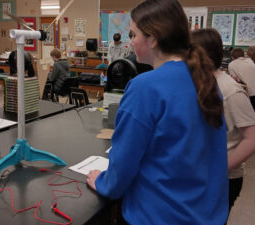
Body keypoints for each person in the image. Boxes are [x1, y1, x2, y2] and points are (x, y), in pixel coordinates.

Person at [86, 0, 228, 224]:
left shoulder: (145, 86)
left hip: (160, 215)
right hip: (205, 213)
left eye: (133, 35)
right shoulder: (205, 80)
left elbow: (124, 162)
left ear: (152, 38)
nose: (131, 42)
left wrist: (103, 182)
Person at [191, 28, 255, 220]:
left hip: (223, 179)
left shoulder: (230, 90)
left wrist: (221, 167)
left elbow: (251, 138)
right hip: (201, 175)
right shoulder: (200, 83)